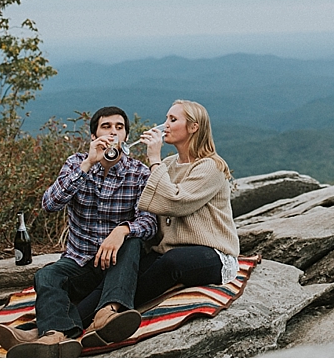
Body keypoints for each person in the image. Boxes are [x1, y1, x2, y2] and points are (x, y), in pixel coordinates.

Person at [0, 106, 158, 357]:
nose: (113, 132)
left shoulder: (138, 173)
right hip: (79, 261)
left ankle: (107, 315)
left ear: (126, 137)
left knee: (132, 241)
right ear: (93, 136)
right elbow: (49, 204)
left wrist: (121, 231)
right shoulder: (76, 163)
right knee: (47, 276)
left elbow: (149, 223)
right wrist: (88, 163)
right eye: (106, 127)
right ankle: (55, 335)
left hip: (116, 265)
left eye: (119, 127)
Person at [75, 99, 239, 316]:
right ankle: (68, 325)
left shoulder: (211, 166)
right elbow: (147, 203)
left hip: (211, 254)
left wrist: (154, 158)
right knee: (123, 273)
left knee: (170, 263)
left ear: (193, 127)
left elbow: (174, 202)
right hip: (169, 250)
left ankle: (112, 311)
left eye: (172, 119)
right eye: (166, 119)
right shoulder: (169, 165)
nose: (165, 126)